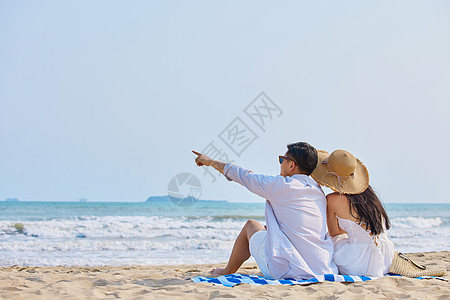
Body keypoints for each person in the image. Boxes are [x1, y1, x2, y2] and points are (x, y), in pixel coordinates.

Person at [192, 142, 338, 279]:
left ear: (291, 165)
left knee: (251, 225)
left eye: (282, 160)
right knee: (267, 229)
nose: (280, 164)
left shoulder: (282, 186)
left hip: (289, 270)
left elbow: (244, 176)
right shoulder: (318, 191)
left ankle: (226, 271)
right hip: (322, 268)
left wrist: (210, 162)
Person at [311, 149, 394, 277]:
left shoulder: (332, 200)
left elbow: (334, 233)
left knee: (331, 242)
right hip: (386, 256)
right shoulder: (369, 193)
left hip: (361, 262)